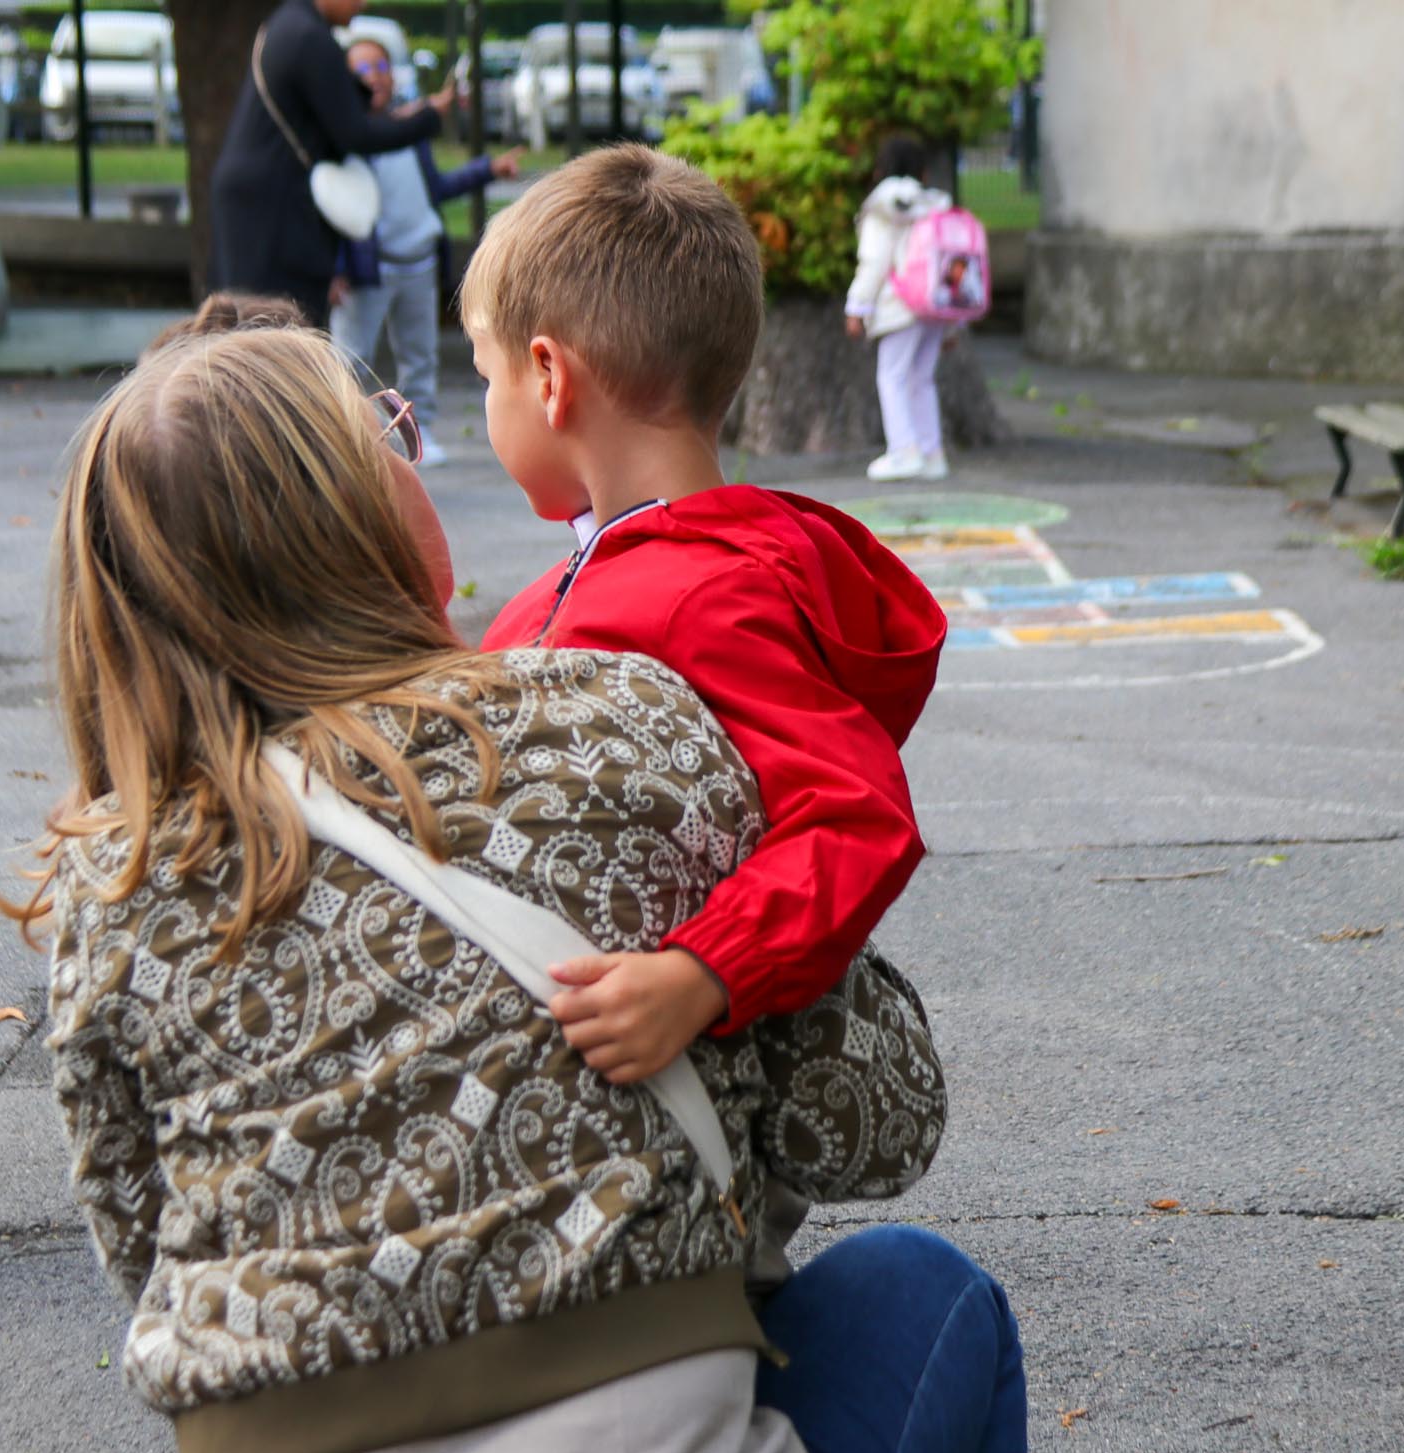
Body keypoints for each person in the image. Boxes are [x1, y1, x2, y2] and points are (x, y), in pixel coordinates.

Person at [21, 321, 1025, 1453]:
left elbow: (151, 1251)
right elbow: (877, 1116)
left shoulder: (115, 881)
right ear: (354, 513)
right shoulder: (617, 721)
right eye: (383, 431)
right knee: (919, 1287)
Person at [469, 145, 948, 1086]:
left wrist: (702, 973)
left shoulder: (705, 598)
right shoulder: (596, 584)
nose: (488, 402)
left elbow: (855, 814)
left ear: (549, 377)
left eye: (488, 377)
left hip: (655, 1078)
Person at [328, 32, 519, 468]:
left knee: (420, 356)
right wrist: (335, 270)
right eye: (363, 68)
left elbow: (434, 187)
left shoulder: (408, 132)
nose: (375, 77)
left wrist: (487, 170)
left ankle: (420, 431)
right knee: (350, 358)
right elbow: (334, 210)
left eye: (382, 66)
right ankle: (343, 436)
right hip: (368, 271)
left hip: (418, 261)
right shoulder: (344, 138)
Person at [210, 0, 454, 325]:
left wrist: (403, 117)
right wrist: (428, 118)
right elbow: (355, 133)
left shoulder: (288, 24)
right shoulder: (309, 36)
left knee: (253, 323)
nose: (363, 4)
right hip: (277, 213)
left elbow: (339, 116)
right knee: (280, 327)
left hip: (255, 202)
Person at [845, 136, 954, 482]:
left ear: (882, 168)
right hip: (935, 306)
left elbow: (875, 261)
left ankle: (903, 451)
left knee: (891, 376)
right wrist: (954, 324)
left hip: (900, 304)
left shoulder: (883, 207)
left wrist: (857, 306)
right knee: (922, 378)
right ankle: (931, 454)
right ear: (922, 171)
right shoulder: (934, 205)